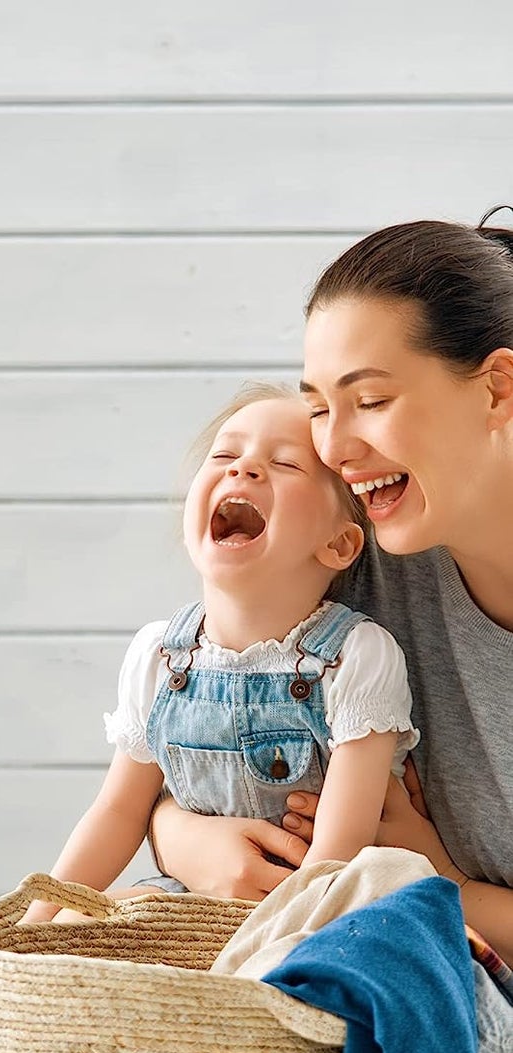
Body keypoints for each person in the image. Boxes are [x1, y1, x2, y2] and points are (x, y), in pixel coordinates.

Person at [0, 385, 419, 1053]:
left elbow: (337, 858)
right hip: (183, 896)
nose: (243, 466)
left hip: (302, 914)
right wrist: (38, 922)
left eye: (282, 462)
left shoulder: (355, 658)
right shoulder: (160, 654)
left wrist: (267, 940)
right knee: (70, 961)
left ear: (338, 542)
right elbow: (118, 808)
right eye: (225, 456)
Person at [150, 216, 513, 965]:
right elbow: (181, 741)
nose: (334, 449)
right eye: (318, 406)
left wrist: (434, 887)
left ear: (497, 388)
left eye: (370, 400)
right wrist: (186, 840)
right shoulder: (357, 559)